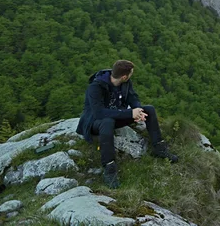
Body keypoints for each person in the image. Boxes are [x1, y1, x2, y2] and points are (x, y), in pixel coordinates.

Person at [76, 60, 178, 188]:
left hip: (115, 116)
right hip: (94, 122)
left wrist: (138, 111)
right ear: (124, 76)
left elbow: (133, 98)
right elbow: (99, 113)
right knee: (107, 122)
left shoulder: (125, 83)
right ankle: (109, 168)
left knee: (149, 109)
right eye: (130, 74)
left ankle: (159, 148)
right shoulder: (95, 87)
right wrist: (129, 114)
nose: (131, 76)